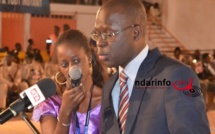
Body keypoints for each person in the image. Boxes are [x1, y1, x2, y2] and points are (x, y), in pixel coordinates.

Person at [91, 0, 210, 133]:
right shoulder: (109, 86)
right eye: (97, 34)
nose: (99, 42)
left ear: (136, 32)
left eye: (108, 34)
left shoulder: (176, 77)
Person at [32, 29, 108, 134]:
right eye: (64, 65)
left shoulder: (108, 100)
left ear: (89, 58)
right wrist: (65, 112)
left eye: (76, 61)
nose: (72, 69)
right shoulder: (51, 104)